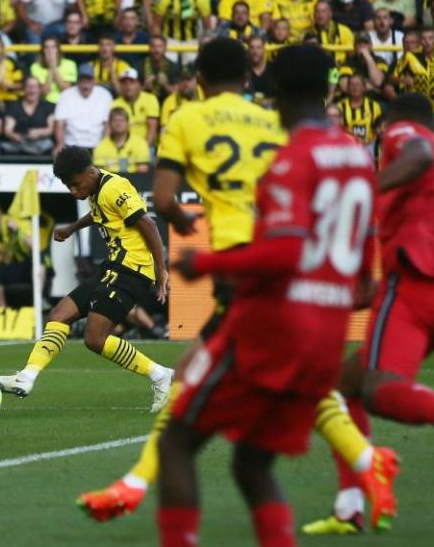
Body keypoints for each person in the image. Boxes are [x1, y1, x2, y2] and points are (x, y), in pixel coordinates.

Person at [153, 43, 378, 547]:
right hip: (328, 332)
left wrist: (202, 262)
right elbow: (365, 279)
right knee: (252, 462)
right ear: (329, 89)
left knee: (177, 441)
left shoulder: (289, 159)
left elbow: (283, 253)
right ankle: (362, 466)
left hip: (276, 320)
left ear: (274, 92)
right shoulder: (357, 155)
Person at [78, 37, 286, 523]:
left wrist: (185, 247)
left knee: (192, 390)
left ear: (198, 81)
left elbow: (164, 204)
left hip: (240, 266)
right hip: (287, 262)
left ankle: (132, 486)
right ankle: (364, 470)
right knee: (296, 384)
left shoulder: (187, 120)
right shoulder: (275, 126)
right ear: (249, 78)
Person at [304, 93, 434, 534]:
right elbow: (369, 290)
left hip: (415, 281)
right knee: (340, 388)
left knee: (378, 389)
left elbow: (419, 150)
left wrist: (367, 186)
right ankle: (350, 505)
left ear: (393, 123)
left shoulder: (409, 137)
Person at [0, 146, 173, 410]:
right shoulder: (96, 189)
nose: (73, 191)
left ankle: (160, 374)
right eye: (67, 186)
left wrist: (161, 269)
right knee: (59, 315)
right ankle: (26, 376)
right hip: (113, 266)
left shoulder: (114, 187)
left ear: (90, 172)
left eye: (75, 184)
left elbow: (148, 223)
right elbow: (100, 214)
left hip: (131, 270)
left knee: (94, 339)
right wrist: (74, 228)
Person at [0, 200, 37, 309]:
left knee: (40, 264)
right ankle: (3, 310)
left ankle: (40, 302)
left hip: (24, 264)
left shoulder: (14, 221)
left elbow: (34, 245)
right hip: (6, 267)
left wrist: (18, 231)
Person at [54, 63, 113, 152]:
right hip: (71, 145)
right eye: (83, 79)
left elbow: (107, 124)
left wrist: (104, 145)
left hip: (96, 145)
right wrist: (60, 144)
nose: (86, 82)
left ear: (94, 80)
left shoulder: (104, 95)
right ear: (78, 80)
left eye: (88, 79)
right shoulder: (66, 95)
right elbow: (59, 123)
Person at [2, 76, 55, 158]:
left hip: (41, 144)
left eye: (34, 87)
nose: (31, 90)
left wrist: (38, 132)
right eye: (28, 86)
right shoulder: (13, 106)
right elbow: (8, 130)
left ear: (39, 89)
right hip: (18, 144)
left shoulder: (48, 106)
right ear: (24, 89)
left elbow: (50, 129)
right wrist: (15, 136)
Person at [93, 107, 151, 172]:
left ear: (128, 123)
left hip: (134, 180)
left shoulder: (140, 143)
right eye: (115, 120)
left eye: (122, 120)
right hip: (110, 180)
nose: (118, 124)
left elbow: (143, 170)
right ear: (109, 123)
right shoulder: (101, 145)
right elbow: (99, 172)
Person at [112, 68, 160, 147]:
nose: (128, 86)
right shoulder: (115, 104)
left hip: (146, 146)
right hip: (123, 148)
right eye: (124, 83)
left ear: (140, 85)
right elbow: (113, 131)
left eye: (131, 82)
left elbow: (152, 129)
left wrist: (143, 150)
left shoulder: (150, 99)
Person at [337, 73, 384, 152]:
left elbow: (378, 128)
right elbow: (338, 129)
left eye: (358, 84)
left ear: (364, 87)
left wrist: (369, 142)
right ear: (348, 87)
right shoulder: (340, 106)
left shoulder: (374, 106)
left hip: (369, 145)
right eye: (352, 84)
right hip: (347, 146)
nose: (355, 87)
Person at [30, 35, 77, 104]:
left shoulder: (70, 64)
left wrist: (53, 66)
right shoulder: (35, 67)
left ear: (58, 50)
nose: (50, 51)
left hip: (65, 103)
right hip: (44, 104)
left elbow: (65, 90)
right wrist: (51, 68)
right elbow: (44, 92)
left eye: (53, 47)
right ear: (43, 51)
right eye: (47, 48)